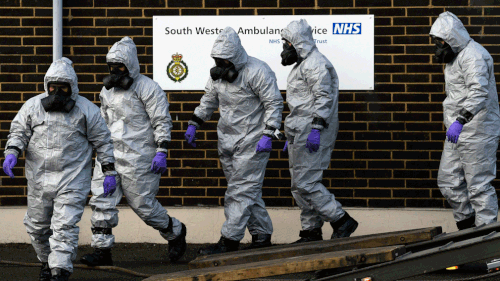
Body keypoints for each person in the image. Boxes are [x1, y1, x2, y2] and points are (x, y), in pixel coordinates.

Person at [2, 57, 117, 281]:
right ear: (47, 85)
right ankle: (46, 261)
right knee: (37, 228)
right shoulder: (33, 107)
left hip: (72, 180)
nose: (56, 92)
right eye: (52, 87)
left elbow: (103, 142)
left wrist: (110, 172)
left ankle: (60, 271)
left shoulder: (86, 110)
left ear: (71, 87)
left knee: (64, 227)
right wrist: (12, 153)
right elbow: (18, 132)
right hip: (39, 179)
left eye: (62, 87)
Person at [79, 37, 187, 266]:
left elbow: (161, 121)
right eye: (112, 67)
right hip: (110, 155)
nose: (115, 71)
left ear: (130, 65)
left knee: (143, 206)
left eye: (120, 66)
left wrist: (162, 150)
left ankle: (175, 231)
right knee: (101, 200)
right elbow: (103, 121)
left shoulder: (148, 88)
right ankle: (102, 251)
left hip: (140, 157)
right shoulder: (107, 91)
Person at [184, 27, 283, 255]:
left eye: (224, 60)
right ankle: (261, 234)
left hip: (253, 141)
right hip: (227, 139)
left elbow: (273, 104)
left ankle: (229, 240)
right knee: (247, 191)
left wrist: (268, 134)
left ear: (235, 58)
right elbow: (209, 99)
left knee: (239, 192)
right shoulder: (217, 76)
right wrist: (194, 122)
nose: (220, 64)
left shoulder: (258, 71)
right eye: (217, 60)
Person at [280, 19, 358, 243]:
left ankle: (341, 220)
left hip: (313, 132)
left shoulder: (315, 64)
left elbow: (323, 98)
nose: (284, 49)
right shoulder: (303, 65)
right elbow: (301, 105)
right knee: (298, 185)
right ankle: (310, 231)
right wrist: (291, 136)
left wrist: (316, 129)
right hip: (300, 132)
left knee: (307, 183)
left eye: (286, 43)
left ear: (297, 43)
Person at [430, 12, 500, 230]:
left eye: (439, 42)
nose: (437, 48)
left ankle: (487, 240)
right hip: (457, 130)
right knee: (449, 182)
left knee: (479, 186)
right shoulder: (455, 57)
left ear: (450, 39)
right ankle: (468, 232)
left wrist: (461, 119)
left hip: (477, 129)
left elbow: (479, 91)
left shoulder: (474, 56)